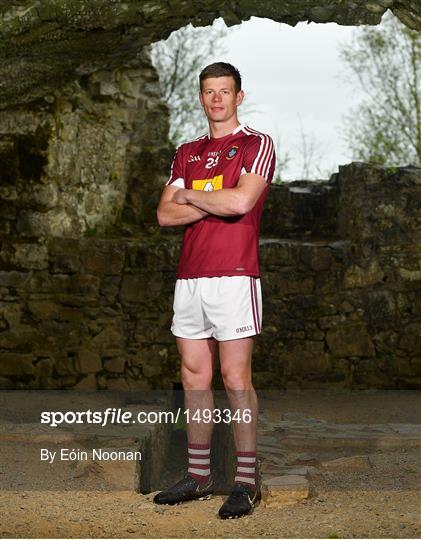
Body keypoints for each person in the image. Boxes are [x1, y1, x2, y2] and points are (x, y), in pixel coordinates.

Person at [154, 62, 275, 519]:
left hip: (235, 275)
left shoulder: (255, 144)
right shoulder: (186, 151)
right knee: (193, 378)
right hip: (190, 277)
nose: (217, 99)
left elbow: (242, 201)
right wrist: (213, 198)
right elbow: (165, 215)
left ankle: (246, 482)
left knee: (236, 379)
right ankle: (199, 476)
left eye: (225, 91)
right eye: (209, 92)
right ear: (202, 97)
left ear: (239, 96)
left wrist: (191, 196)